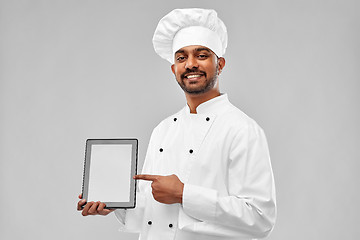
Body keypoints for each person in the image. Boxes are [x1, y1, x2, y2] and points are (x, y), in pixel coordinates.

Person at [77, 8, 276, 240]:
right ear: (174, 69)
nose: (190, 64)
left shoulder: (242, 129)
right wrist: (115, 203)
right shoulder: (163, 130)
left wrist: (184, 194)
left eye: (201, 55)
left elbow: (261, 218)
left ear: (220, 64)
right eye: (181, 58)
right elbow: (152, 216)